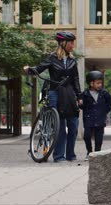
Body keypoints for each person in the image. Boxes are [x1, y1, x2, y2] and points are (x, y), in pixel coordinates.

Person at [23, 31, 81, 162]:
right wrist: (29, 69)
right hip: (55, 92)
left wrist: (79, 96)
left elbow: (75, 79)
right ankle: (59, 156)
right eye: (71, 43)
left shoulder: (72, 60)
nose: (73, 45)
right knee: (60, 125)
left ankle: (70, 155)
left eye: (73, 42)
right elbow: (39, 68)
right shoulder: (52, 58)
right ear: (63, 43)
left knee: (73, 125)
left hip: (70, 94)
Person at [80, 71, 111, 161]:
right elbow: (82, 106)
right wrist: (80, 103)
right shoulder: (85, 94)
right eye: (97, 83)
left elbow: (109, 104)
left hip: (100, 118)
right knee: (87, 136)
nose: (100, 85)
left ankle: (97, 153)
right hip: (88, 118)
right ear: (91, 83)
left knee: (99, 138)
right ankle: (89, 152)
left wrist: (104, 111)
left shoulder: (104, 93)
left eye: (101, 83)